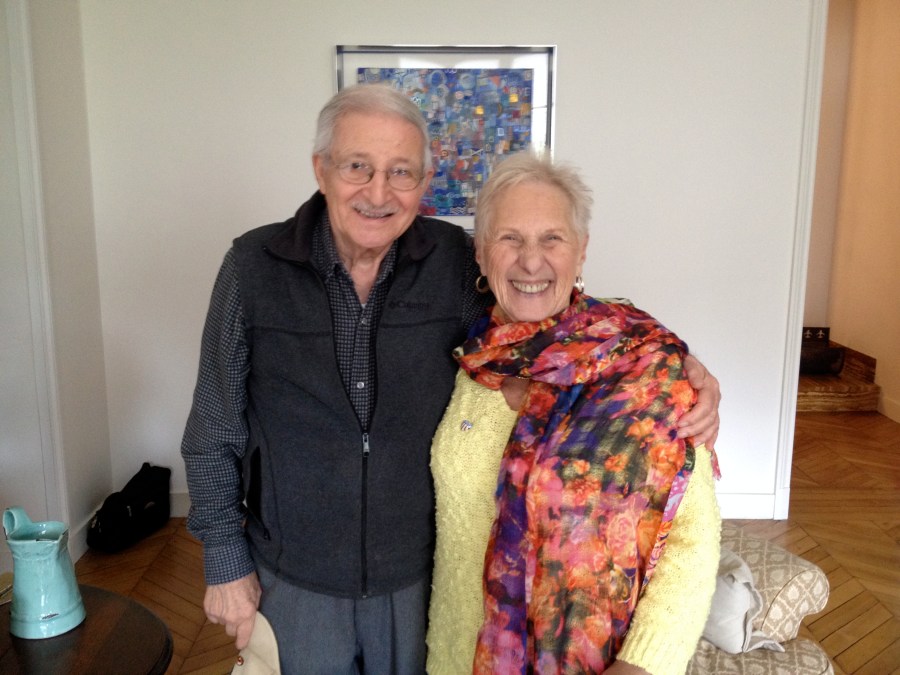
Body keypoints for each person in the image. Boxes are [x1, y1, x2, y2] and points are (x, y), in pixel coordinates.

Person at [181, 84, 721, 674]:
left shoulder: (452, 262)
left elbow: (555, 317)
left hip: (416, 583)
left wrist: (677, 362)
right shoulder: (252, 268)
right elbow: (212, 430)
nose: (378, 192)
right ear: (321, 169)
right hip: (295, 575)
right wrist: (224, 562)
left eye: (401, 171)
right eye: (358, 166)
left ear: (425, 181)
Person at [426, 152, 721, 674]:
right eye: (510, 238)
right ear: (481, 252)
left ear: (581, 251)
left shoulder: (645, 367)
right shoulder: (468, 362)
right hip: (456, 656)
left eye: (552, 239)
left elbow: (692, 540)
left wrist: (643, 665)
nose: (531, 261)